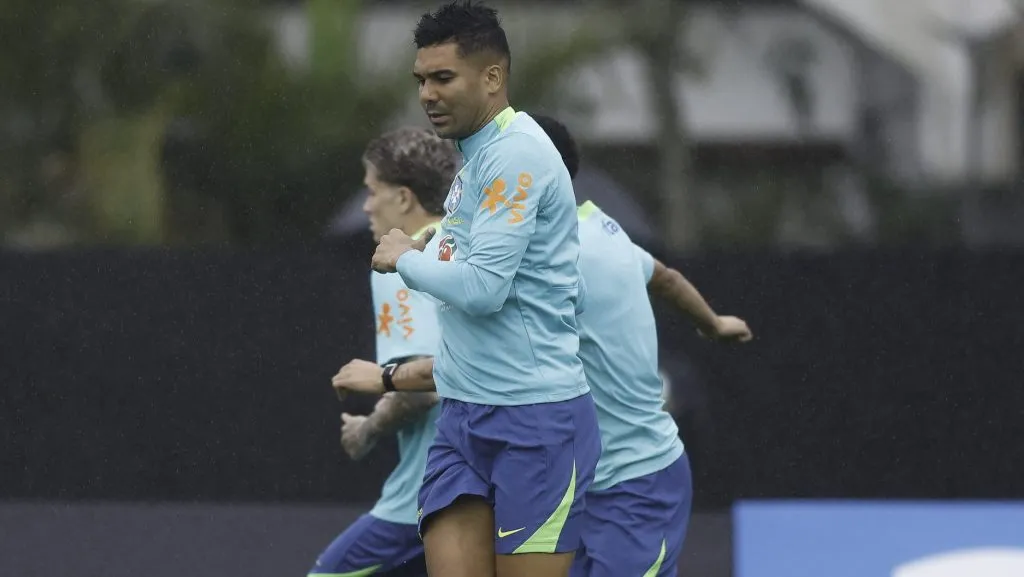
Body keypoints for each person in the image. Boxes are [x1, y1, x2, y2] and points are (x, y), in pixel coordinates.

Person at [335, 115, 753, 577]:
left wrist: (385, 376)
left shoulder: (546, 260)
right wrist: (713, 323)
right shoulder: (600, 230)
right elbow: (667, 278)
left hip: (636, 480)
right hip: (576, 479)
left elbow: (464, 362)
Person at [354, 2, 601, 576]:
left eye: (443, 78)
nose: (427, 95)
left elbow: (485, 288)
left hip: (535, 423)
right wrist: (427, 249)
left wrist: (403, 259)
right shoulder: (476, 155)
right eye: (421, 80)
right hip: (464, 417)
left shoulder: (516, 154)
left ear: (492, 77)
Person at [310, 127, 457, 577]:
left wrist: (368, 429)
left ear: (405, 198)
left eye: (373, 191)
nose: (367, 205)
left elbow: (421, 386)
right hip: (502, 488)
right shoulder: (472, 245)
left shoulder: (399, 265)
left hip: (426, 496)